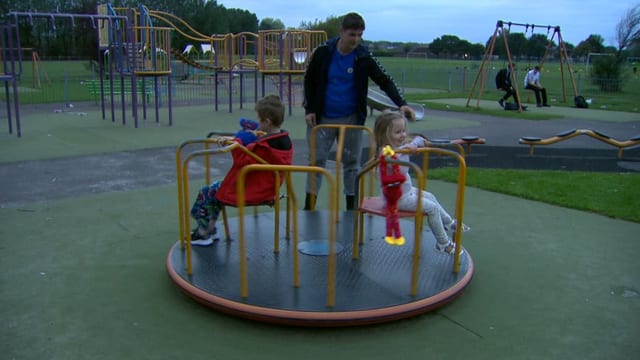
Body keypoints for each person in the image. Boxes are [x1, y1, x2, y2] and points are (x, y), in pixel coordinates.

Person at [303, 12, 415, 211]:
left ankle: (351, 208)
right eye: (352, 34)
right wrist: (310, 108)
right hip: (322, 117)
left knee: (351, 162)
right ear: (342, 32)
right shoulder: (323, 52)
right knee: (316, 161)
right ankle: (309, 207)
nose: (355, 39)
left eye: (359, 35)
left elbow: (384, 80)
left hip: (351, 117)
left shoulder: (363, 56)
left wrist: (401, 103)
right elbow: (309, 79)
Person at [190, 95, 294, 246]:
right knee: (214, 192)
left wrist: (238, 142)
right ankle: (209, 229)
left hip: (254, 189)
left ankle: (204, 233)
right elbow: (257, 145)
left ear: (267, 121)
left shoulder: (266, 146)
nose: (258, 123)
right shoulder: (281, 139)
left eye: (259, 120)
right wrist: (239, 138)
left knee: (207, 193)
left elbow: (243, 162)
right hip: (264, 185)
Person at [373, 110, 470, 255]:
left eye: (404, 131)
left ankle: (449, 223)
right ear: (384, 135)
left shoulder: (397, 147)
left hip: (406, 192)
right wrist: (410, 146)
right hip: (396, 199)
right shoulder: (385, 152)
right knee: (431, 209)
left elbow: (408, 146)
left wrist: (417, 142)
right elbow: (395, 155)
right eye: (397, 132)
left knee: (430, 196)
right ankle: (443, 243)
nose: (403, 135)